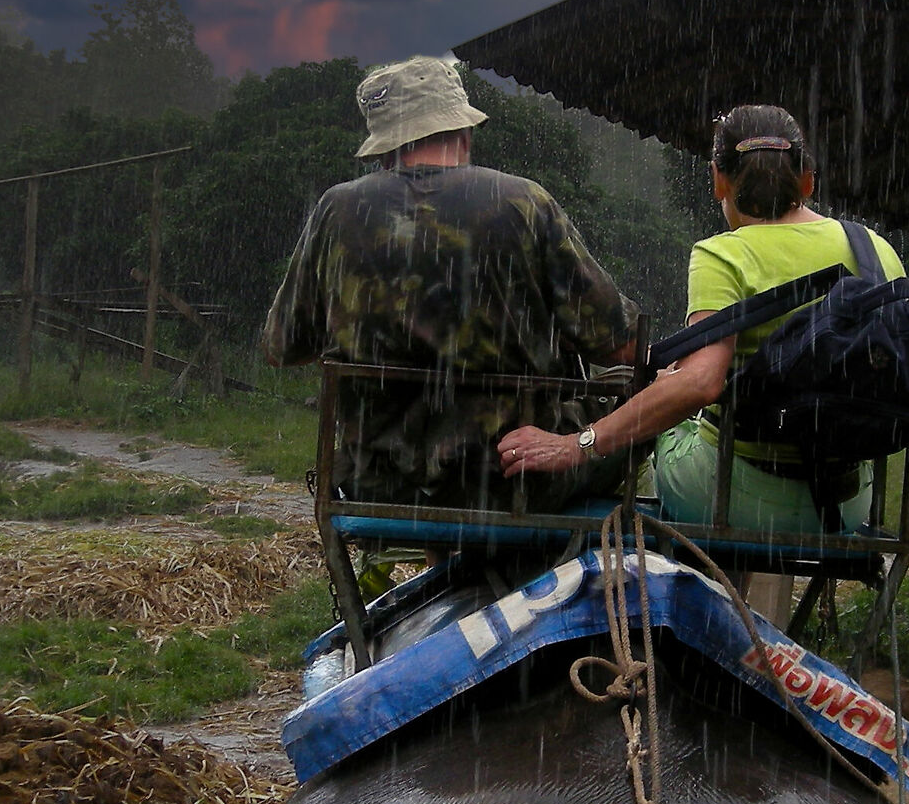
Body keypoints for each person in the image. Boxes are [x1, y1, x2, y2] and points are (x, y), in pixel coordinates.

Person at [497, 103, 909, 536]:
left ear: (718, 180)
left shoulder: (722, 254)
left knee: (668, 408)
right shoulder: (872, 248)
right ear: (808, 179)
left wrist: (575, 445)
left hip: (729, 502)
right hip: (842, 508)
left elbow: (700, 385)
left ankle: (683, 593)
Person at [262, 55, 638, 510]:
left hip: (380, 481)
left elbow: (283, 347)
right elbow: (618, 346)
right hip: (511, 480)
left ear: (385, 147)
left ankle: (449, 558)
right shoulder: (520, 200)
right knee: (654, 394)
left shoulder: (337, 209)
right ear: (463, 129)